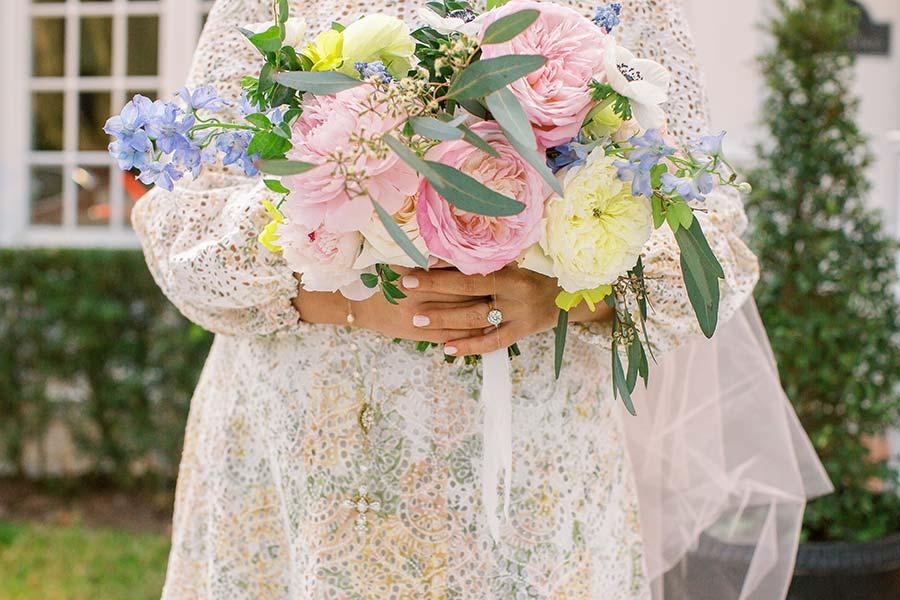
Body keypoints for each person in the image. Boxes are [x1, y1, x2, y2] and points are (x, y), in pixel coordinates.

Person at [133, 0, 830, 598]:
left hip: (533, 462)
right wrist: (348, 289)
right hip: (314, 455)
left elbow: (708, 236)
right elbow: (185, 230)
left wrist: (560, 296)